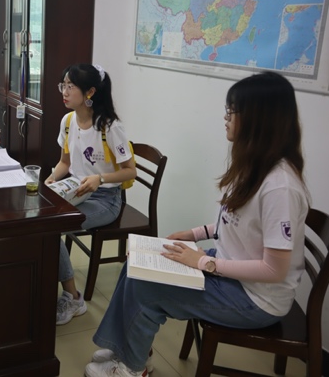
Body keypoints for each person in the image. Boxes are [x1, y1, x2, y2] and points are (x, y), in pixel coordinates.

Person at [85, 71, 310, 377]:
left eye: (232, 111)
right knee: (135, 264)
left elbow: (275, 270)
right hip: (231, 271)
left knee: (146, 287)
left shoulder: (280, 186)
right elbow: (233, 222)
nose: (225, 118)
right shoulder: (254, 166)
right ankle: (127, 348)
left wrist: (205, 263)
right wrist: (192, 234)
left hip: (255, 298)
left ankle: (133, 367)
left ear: (258, 119)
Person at [46, 63, 136, 325]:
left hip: (106, 200)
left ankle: (73, 298)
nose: (64, 91)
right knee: (39, 219)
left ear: (90, 92)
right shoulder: (68, 121)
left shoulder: (109, 127)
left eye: (70, 86)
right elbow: (65, 163)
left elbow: (130, 171)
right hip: (75, 191)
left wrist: (101, 178)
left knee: (52, 227)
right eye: (63, 85)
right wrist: (50, 180)